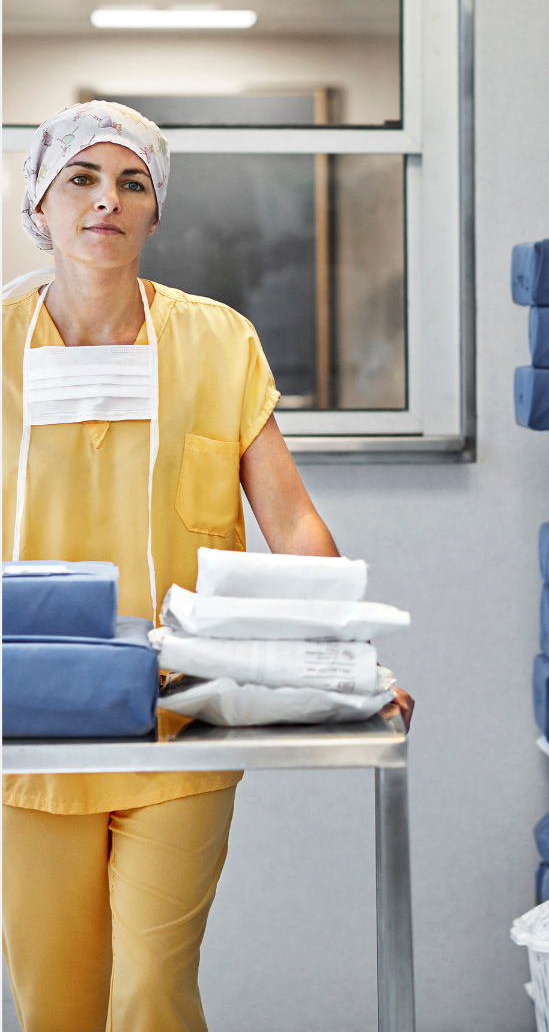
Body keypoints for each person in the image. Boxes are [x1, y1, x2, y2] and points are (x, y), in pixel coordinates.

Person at [2, 101, 413, 1032]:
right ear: (40, 202)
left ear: (153, 213)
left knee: (151, 991)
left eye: (131, 183)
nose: (106, 200)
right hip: (30, 724)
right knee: (54, 1006)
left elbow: (291, 519)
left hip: (178, 714)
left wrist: (348, 664)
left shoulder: (217, 342)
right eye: (82, 178)